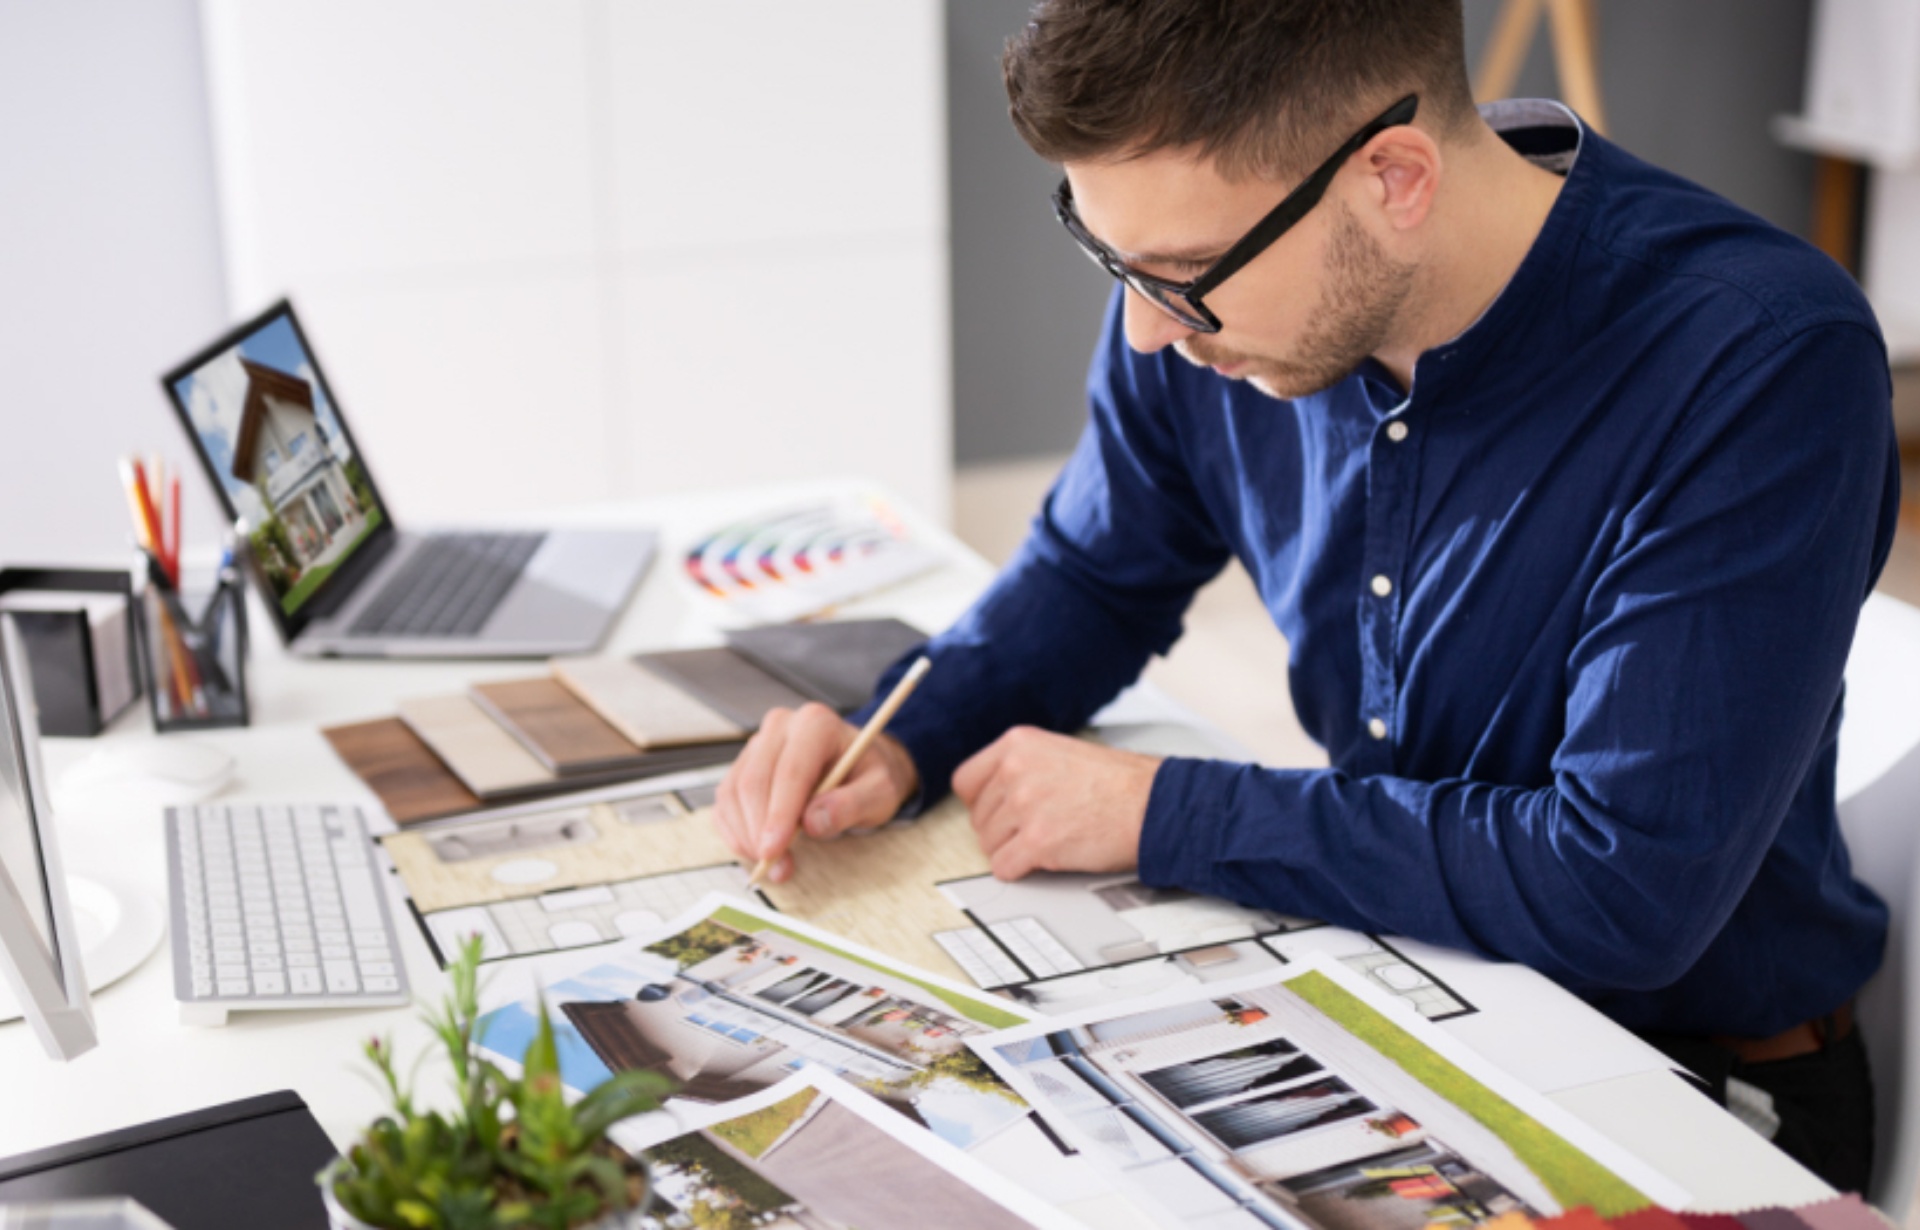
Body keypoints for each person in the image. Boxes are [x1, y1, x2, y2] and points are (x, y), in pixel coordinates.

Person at [711, 0, 1900, 1189]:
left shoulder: (1756, 357)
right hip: (1401, 999)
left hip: (1691, 1092)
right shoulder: (1211, 293)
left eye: (1178, 277)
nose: (1143, 333)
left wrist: (1167, 812)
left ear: (1394, 178)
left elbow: (1620, 886)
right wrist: (905, 734)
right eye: (1111, 256)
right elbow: (1092, 572)